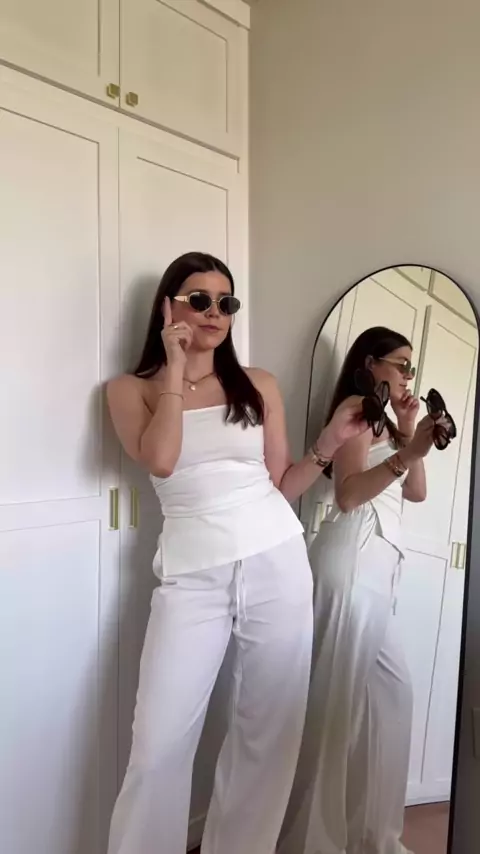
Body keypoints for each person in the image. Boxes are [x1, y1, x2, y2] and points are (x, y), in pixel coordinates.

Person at [105, 251, 367, 854]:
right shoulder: (130, 390)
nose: (215, 313)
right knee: (156, 746)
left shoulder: (258, 384)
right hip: (191, 575)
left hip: (277, 557)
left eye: (226, 302)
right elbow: (161, 460)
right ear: (167, 308)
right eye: (199, 299)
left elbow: (283, 484)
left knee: (269, 733)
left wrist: (329, 443)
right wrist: (175, 368)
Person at [279, 326, 437, 854]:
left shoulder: (388, 423)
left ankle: (374, 837)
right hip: (351, 558)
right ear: (370, 364)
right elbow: (347, 496)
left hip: (379, 565)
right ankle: (312, 843)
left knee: (393, 697)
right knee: (335, 705)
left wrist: (410, 432)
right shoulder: (357, 413)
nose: (408, 374)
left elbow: (416, 492)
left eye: (412, 367)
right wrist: (402, 453)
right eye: (400, 363)